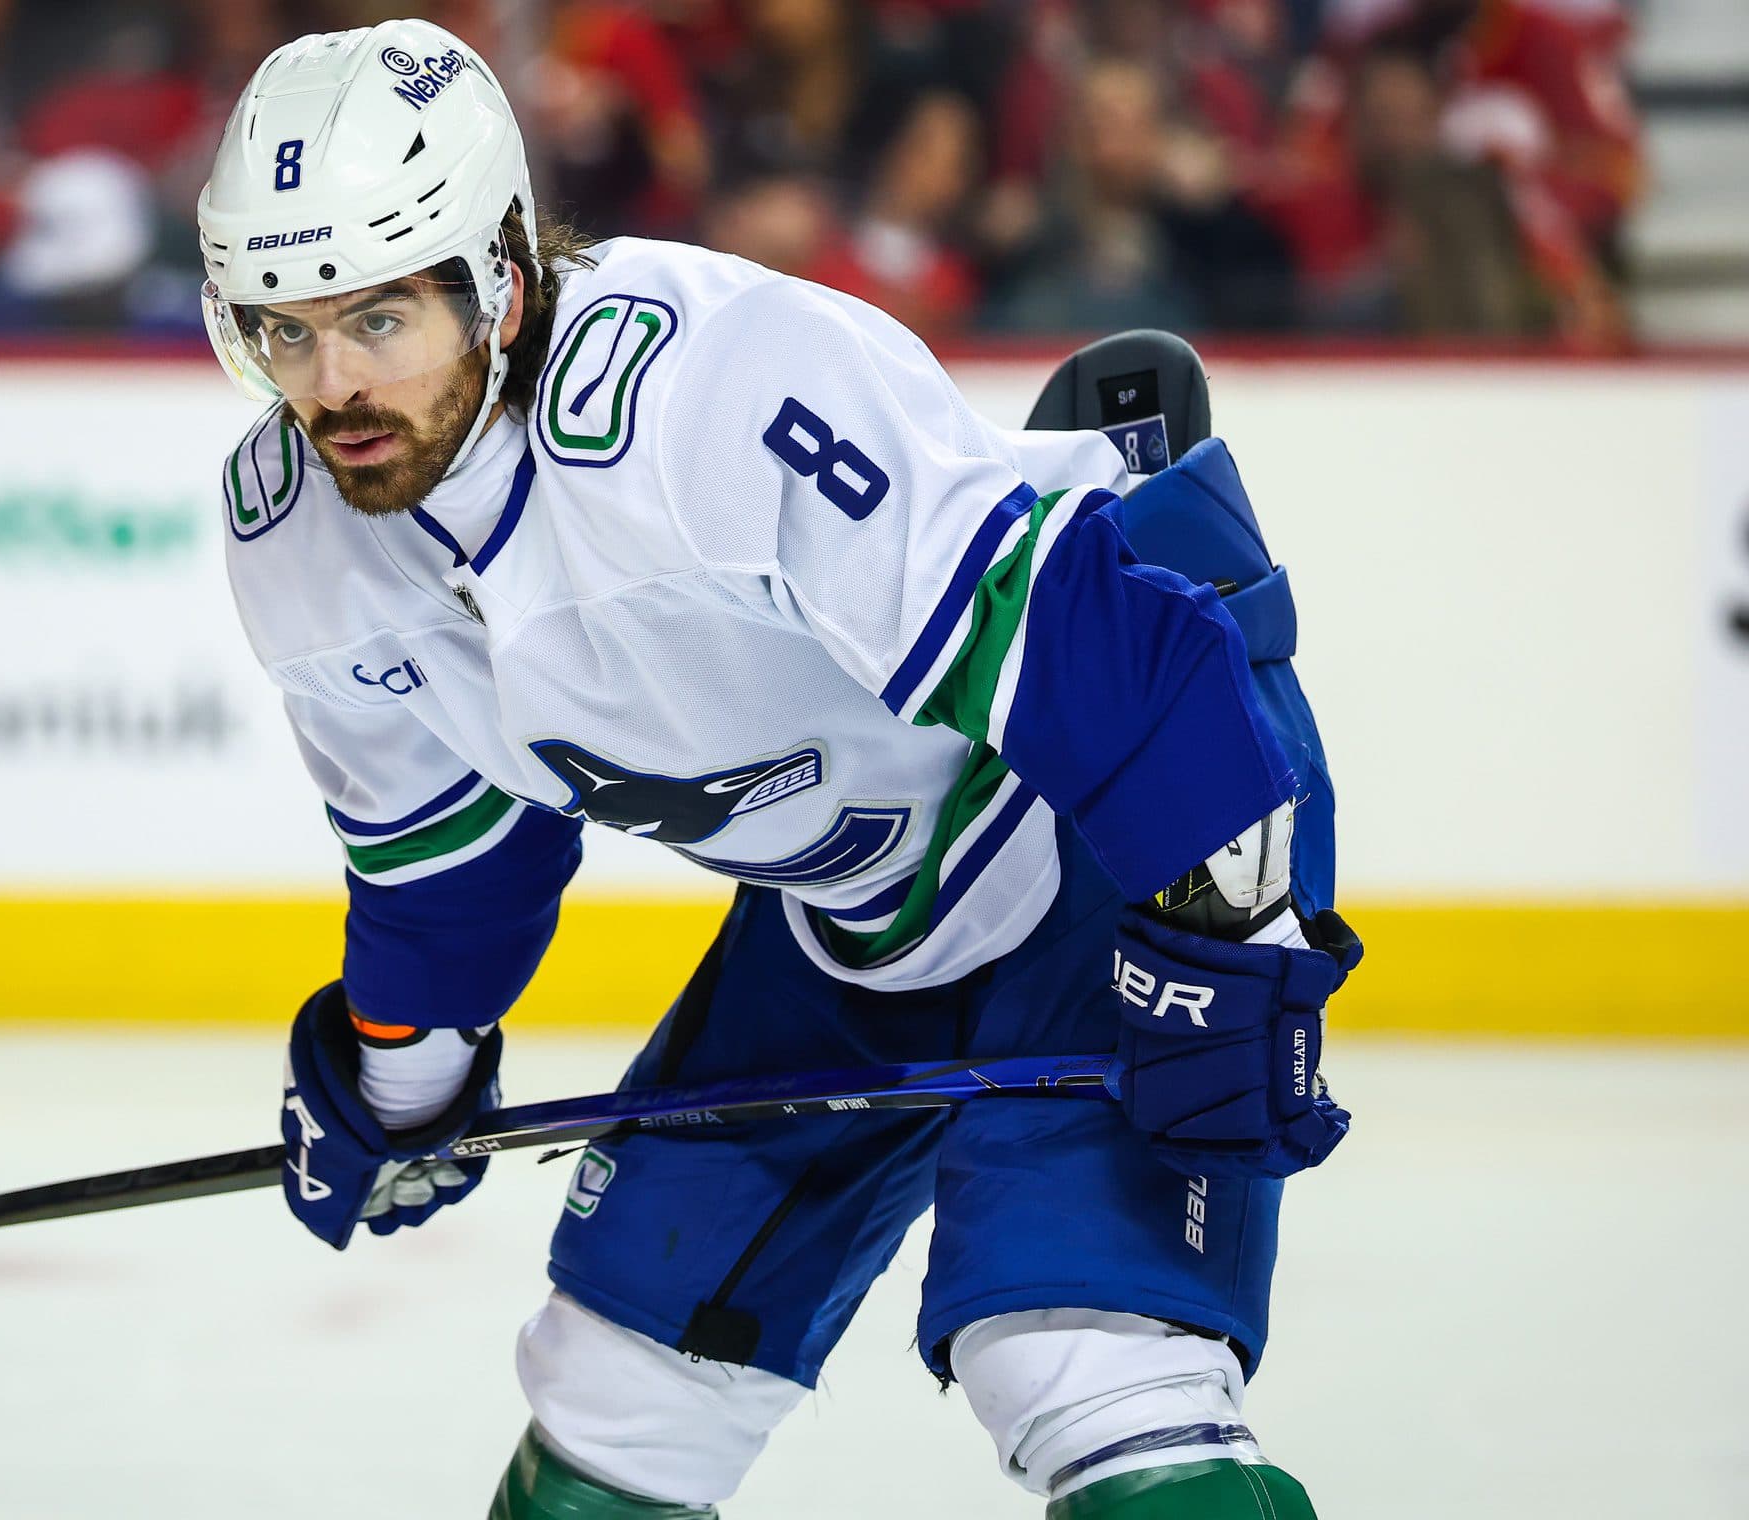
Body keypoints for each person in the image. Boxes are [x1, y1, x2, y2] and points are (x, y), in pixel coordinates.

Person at [198, 20, 1361, 1518]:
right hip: (853, 917)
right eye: (280, 331)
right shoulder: (296, 530)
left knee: (1076, 1361)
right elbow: (446, 875)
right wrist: (400, 1076)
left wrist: (1227, 954)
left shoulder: (710, 394)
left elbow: (1107, 659)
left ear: (497, 272)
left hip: (1100, 827)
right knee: (619, 1382)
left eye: (375, 321)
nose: (331, 386)